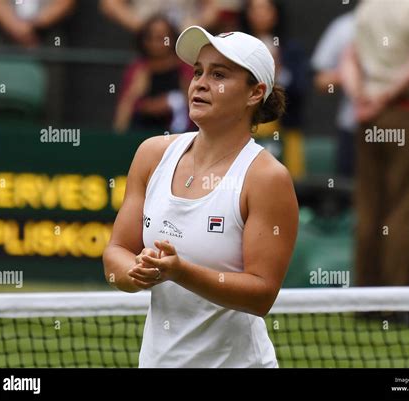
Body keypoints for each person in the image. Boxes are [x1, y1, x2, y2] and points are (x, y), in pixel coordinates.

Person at [103, 25, 299, 367]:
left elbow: (262, 295)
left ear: (255, 93)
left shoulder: (267, 177)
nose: (200, 83)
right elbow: (116, 252)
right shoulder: (151, 154)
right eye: (198, 72)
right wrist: (137, 271)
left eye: (219, 74)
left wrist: (180, 272)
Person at [341, 0, 409, 287]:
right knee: (408, 207)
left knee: (369, 207)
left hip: (369, 117)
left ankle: (367, 300)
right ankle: (397, 301)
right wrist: (384, 98)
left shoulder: (369, 6)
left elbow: (349, 58)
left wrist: (360, 100)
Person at [241, 0, 308, 180]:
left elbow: (300, 89)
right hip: (247, 131)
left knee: (289, 183)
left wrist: (278, 72)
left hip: (287, 130)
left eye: (265, 9)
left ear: (275, 13)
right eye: (255, 9)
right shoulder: (237, 50)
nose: (260, 14)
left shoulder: (291, 50)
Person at [113, 15, 193, 134]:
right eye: (151, 38)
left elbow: (196, 101)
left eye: (161, 38)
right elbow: (125, 107)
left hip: (180, 134)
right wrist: (146, 106)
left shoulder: (185, 67)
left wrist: (174, 102)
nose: (156, 44)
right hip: (142, 132)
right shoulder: (137, 68)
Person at [312, 11, 356, 178]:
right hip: (352, 128)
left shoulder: (404, 22)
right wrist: (352, 73)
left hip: (397, 127)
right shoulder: (344, 27)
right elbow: (321, 81)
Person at [0, 0, 75, 48]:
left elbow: (65, 2)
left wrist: (36, 24)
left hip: (48, 36)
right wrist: (16, 27)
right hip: (1, 35)